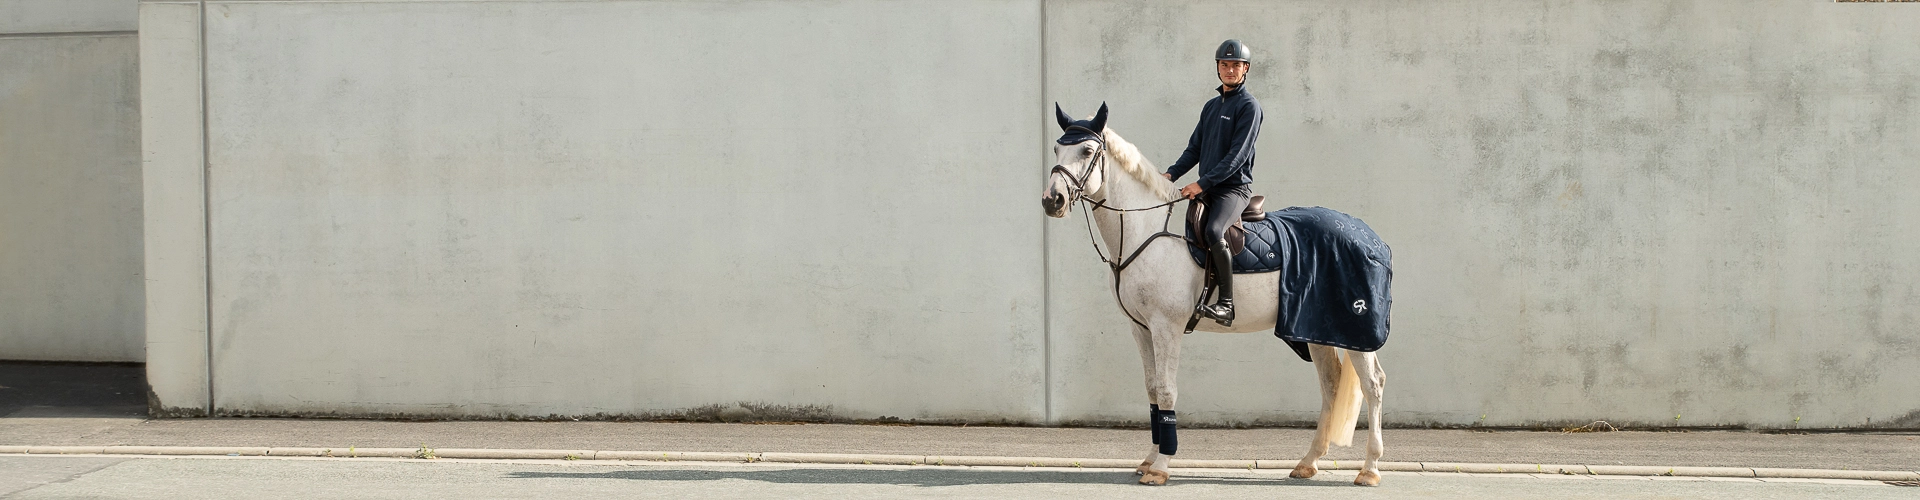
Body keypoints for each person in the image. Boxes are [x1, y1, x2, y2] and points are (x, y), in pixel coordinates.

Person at [1163, 39, 1262, 326]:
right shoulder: (1210, 107)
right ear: (1218, 68)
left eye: (1236, 65)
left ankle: (1226, 306)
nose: (1230, 70)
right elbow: (1195, 148)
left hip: (1233, 189)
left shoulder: (1249, 107)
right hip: (1209, 188)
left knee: (1215, 230)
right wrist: (1171, 174)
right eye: (1224, 65)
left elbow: (1236, 157)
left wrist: (1201, 184)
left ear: (1245, 69)